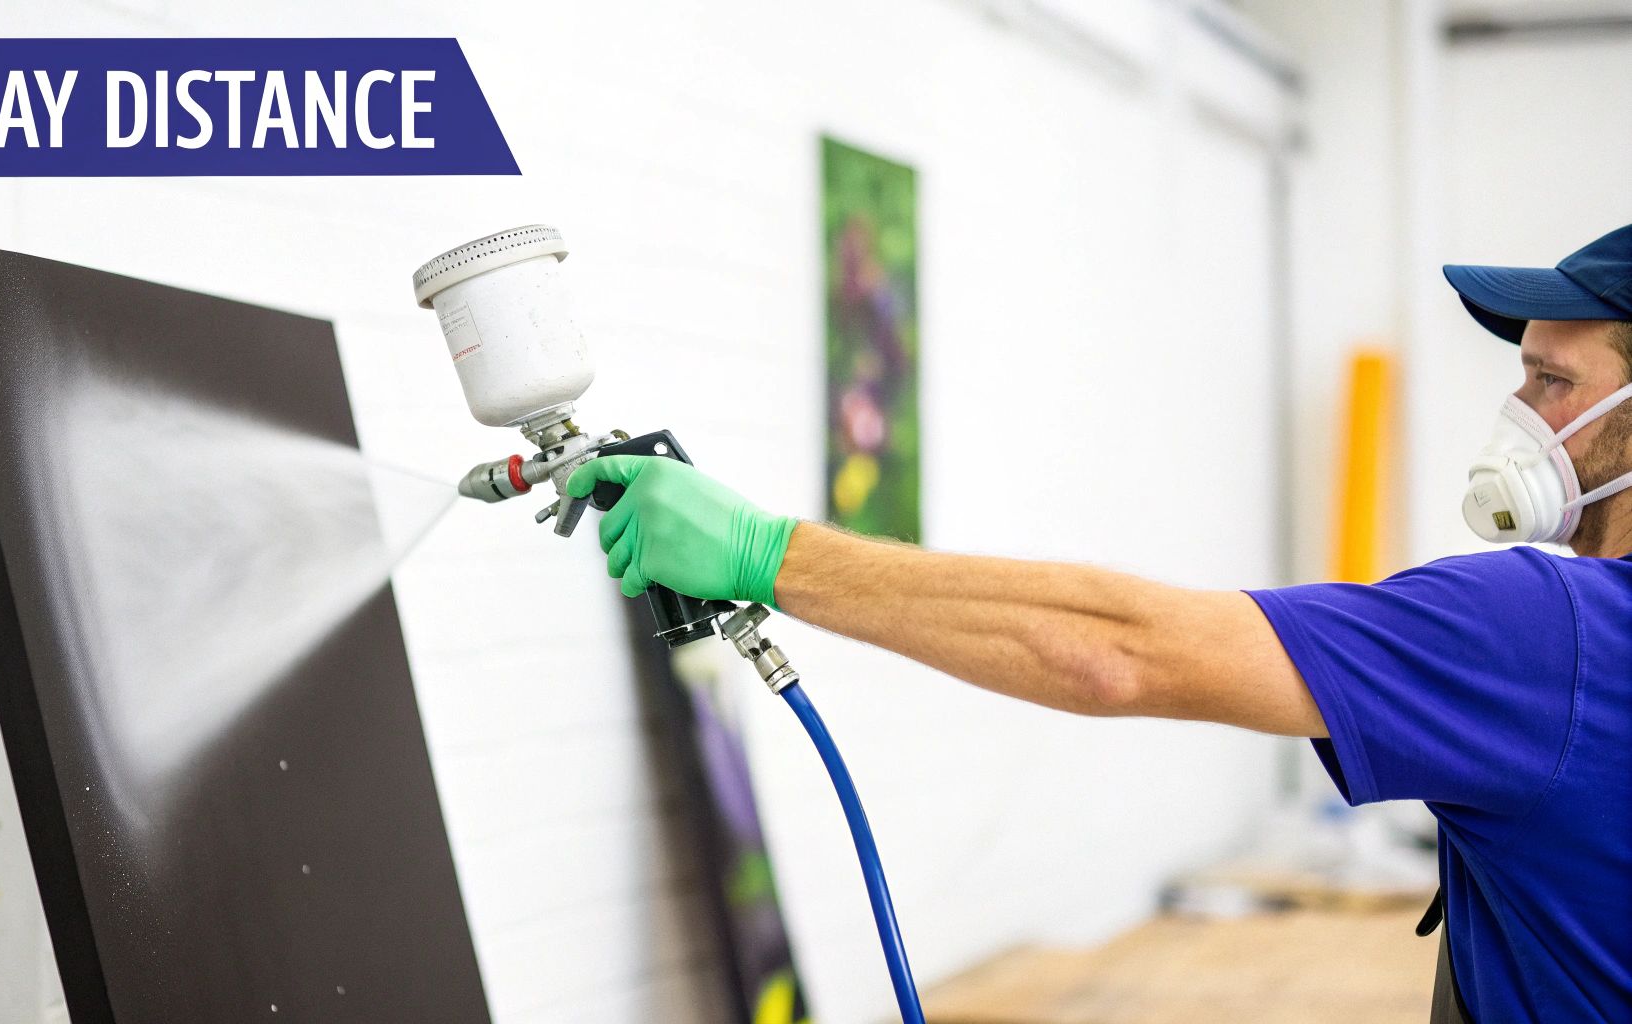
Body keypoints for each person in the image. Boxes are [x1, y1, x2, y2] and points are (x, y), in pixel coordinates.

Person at [566, 224, 1632, 1022]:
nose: (1518, 418)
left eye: (1550, 381)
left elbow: (1119, 651)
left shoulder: (1548, 634)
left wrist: (766, 553)